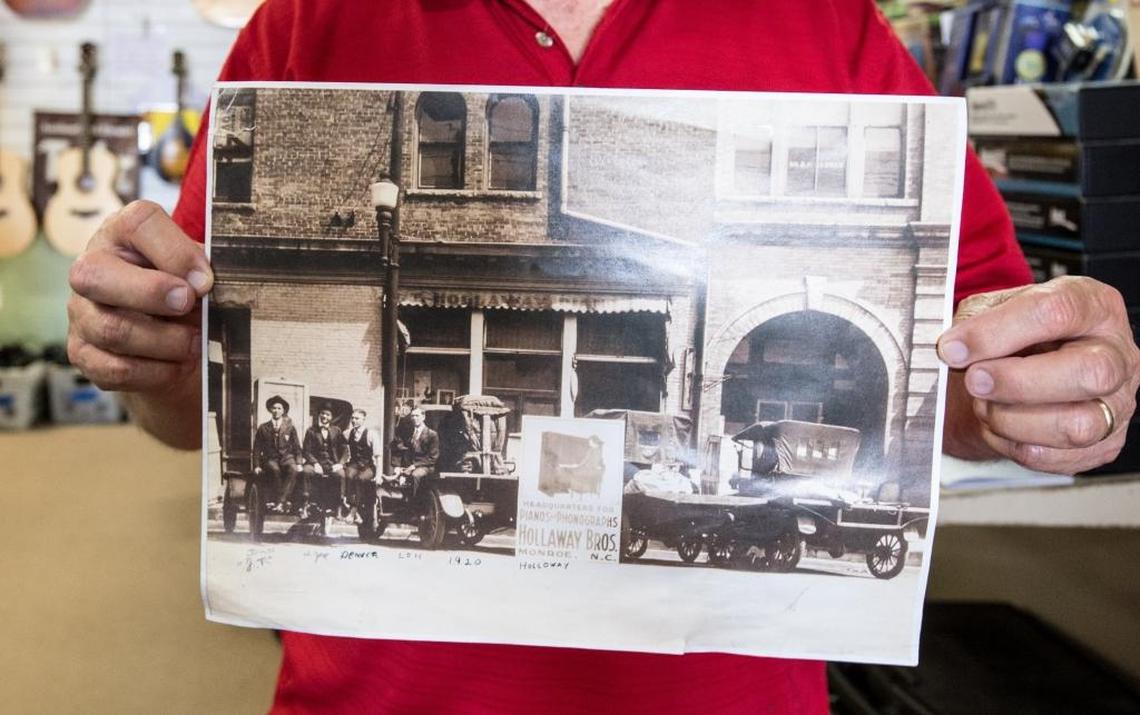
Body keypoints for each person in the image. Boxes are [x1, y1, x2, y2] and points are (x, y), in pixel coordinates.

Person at [64, 0, 1138, 712]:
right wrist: (150, 362)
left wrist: (1048, 387)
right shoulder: (307, 23)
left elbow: (963, 374)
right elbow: (184, 407)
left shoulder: (829, 25)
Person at [251, 395, 302, 509]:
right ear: (270, 410)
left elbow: (297, 446)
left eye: (279, 408)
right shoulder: (263, 427)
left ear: (283, 411)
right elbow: (257, 448)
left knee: (293, 469)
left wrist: (299, 463)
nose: (276, 411)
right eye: (274, 408)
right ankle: (281, 500)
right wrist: (257, 466)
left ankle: (281, 501)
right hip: (271, 458)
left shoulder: (290, 427)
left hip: (287, 458)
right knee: (274, 470)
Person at [300, 403, 348, 517]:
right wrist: (315, 463)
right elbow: (306, 451)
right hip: (315, 463)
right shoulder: (311, 430)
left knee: (341, 475)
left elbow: (345, 449)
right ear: (319, 415)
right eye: (322, 414)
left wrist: (340, 464)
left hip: (332, 463)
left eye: (327, 414)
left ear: (331, 417)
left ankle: (339, 507)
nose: (324, 416)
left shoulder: (337, 430)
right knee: (306, 471)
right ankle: (304, 505)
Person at [393, 406, 440, 498]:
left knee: (415, 475)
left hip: (426, 466)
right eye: (412, 416)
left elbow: (433, 457)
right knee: (398, 476)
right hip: (411, 465)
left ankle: (415, 506)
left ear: (423, 417)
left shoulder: (432, 434)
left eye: (417, 416)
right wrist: (399, 467)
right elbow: (404, 450)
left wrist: (414, 466)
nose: (414, 418)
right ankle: (404, 502)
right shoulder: (410, 433)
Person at [343, 408, 379, 524]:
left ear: (364, 419)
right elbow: (344, 451)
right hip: (354, 464)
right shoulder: (348, 433)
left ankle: (353, 511)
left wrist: (378, 475)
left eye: (357, 418)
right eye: (352, 418)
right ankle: (356, 513)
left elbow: (378, 456)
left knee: (360, 479)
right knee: (348, 476)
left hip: (368, 466)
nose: (354, 420)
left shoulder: (371, 434)